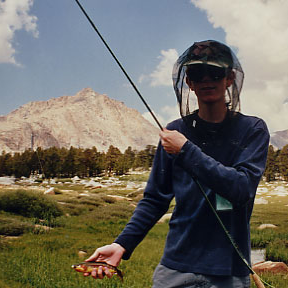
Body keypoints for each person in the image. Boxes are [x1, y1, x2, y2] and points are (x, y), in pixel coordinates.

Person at [81, 40, 270, 287]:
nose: (206, 79)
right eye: (196, 73)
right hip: (176, 267)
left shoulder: (252, 129)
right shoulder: (174, 132)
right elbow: (155, 199)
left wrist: (185, 150)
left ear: (230, 78)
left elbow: (241, 188)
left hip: (229, 272)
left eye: (214, 72)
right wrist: (121, 244)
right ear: (189, 82)